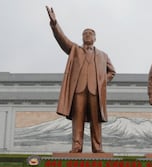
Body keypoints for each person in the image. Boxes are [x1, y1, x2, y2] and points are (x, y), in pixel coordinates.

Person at [46, 6, 116, 153]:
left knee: (96, 120)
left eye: (90, 33)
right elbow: (62, 39)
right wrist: (54, 23)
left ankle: (97, 148)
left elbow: (112, 72)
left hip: (95, 91)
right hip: (78, 90)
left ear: (95, 38)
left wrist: (102, 81)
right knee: (77, 119)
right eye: (85, 33)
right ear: (82, 37)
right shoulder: (75, 50)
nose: (87, 35)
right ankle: (77, 147)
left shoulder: (103, 55)